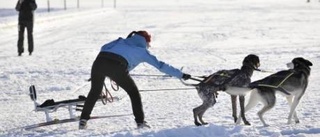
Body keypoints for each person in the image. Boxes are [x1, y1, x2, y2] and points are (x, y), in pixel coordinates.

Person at [79, 30, 191, 129]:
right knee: (134, 93)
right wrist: (180, 74)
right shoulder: (142, 51)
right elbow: (160, 66)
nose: (148, 46)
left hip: (99, 62)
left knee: (94, 91)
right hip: (117, 66)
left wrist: (103, 69)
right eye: (148, 43)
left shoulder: (120, 41)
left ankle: (83, 120)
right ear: (145, 41)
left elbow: (104, 48)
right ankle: (140, 122)